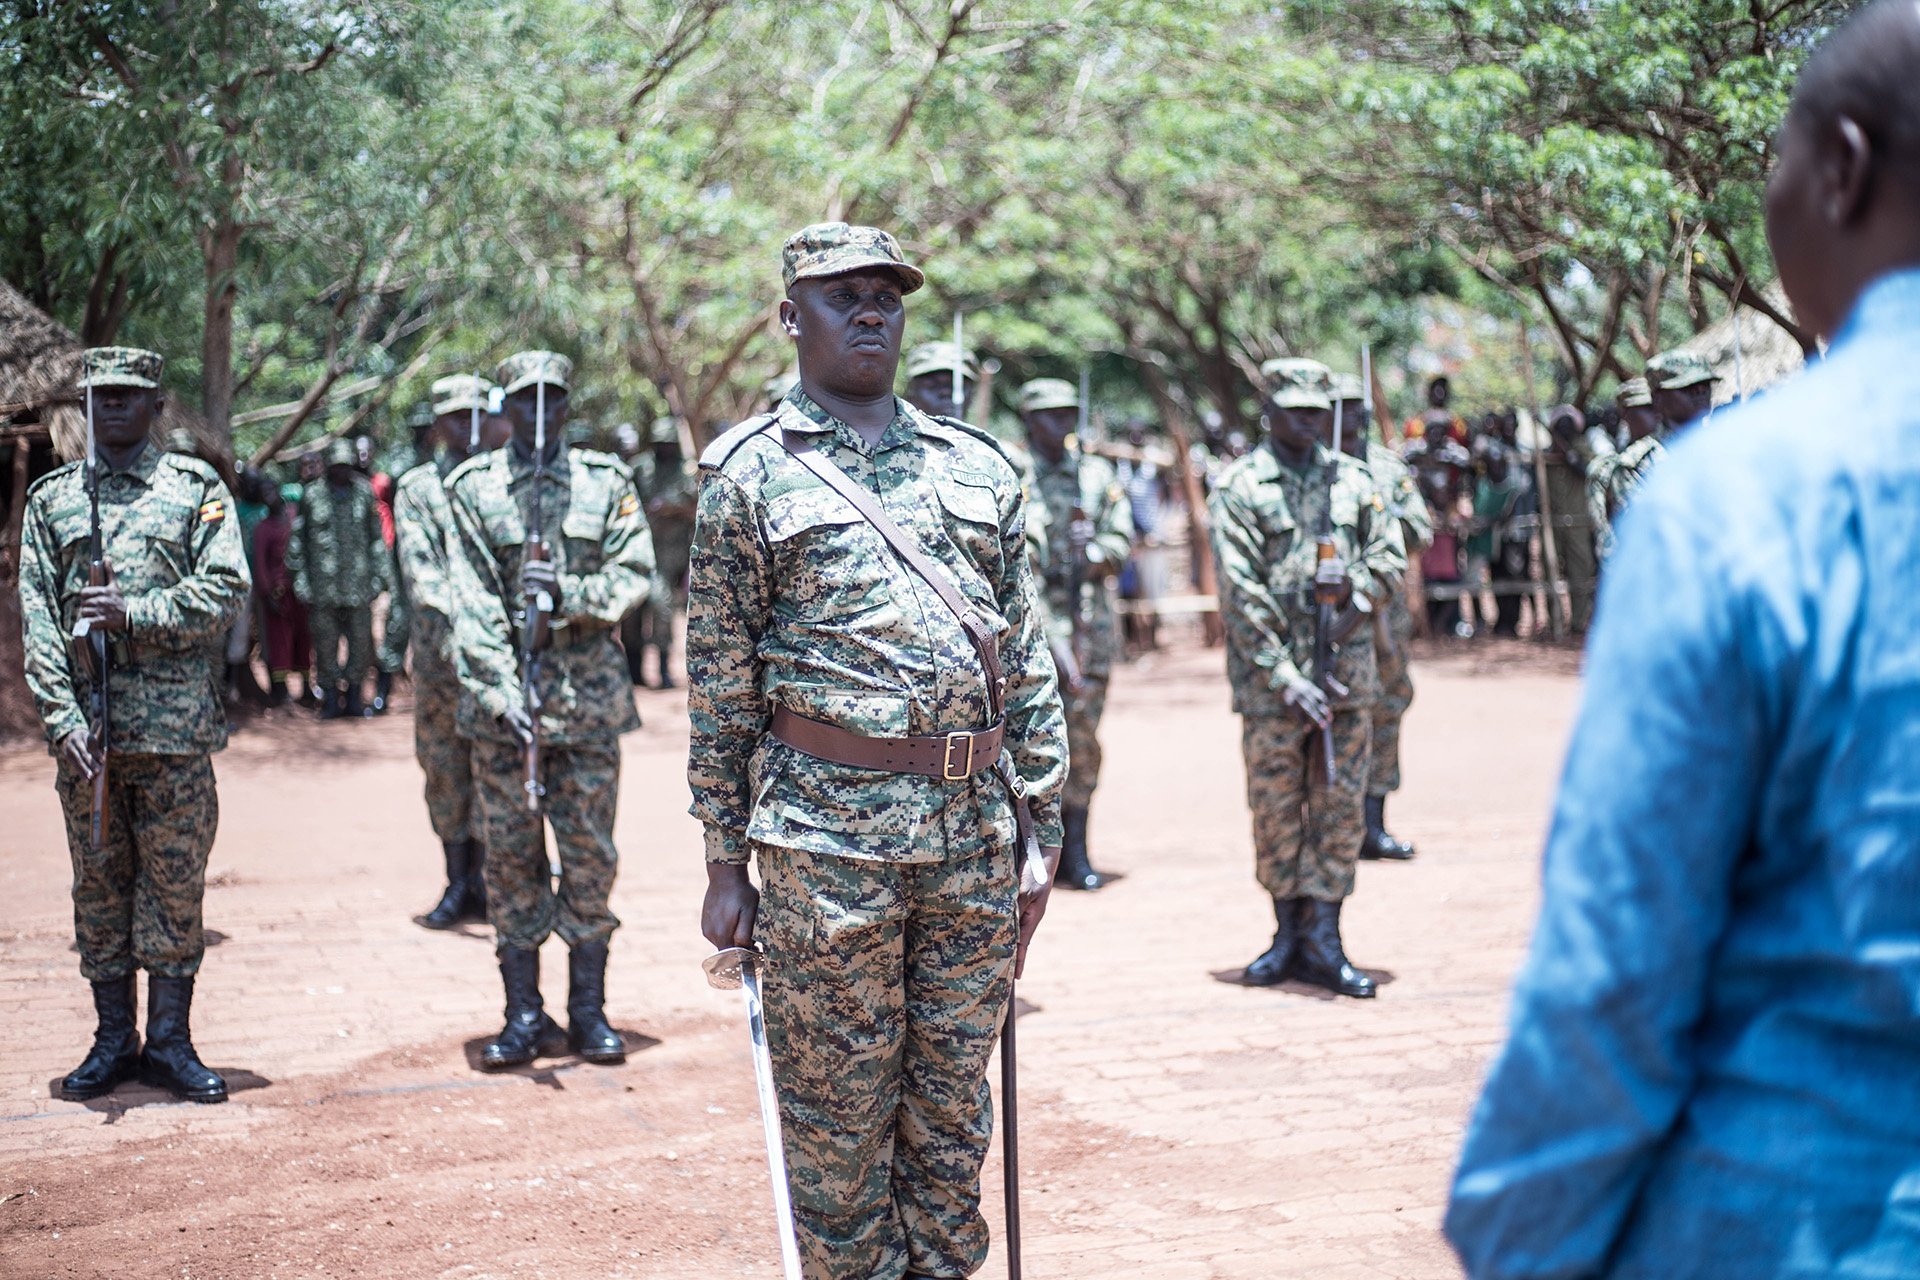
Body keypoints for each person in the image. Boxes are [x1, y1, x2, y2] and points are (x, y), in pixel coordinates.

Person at [1447, 4, 1920, 1272]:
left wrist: (1518, 1238)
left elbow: (1617, 964)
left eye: (1774, 157)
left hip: (1801, 1216)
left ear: (1843, 168)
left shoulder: (1742, 493)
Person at [690, 222, 1067, 1280]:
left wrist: (1044, 825)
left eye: (886, 294)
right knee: (841, 1132)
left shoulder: (976, 468)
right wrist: (724, 861)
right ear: (788, 315)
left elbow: (1023, 657)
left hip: (972, 843)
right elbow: (719, 684)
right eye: (841, 293)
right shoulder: (749, 477)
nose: (869, 310)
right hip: (826, 851)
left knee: (950, 1122)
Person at [19, 347, 251, 1104]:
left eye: (128, 394)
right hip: (89, 741)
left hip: (175, 734)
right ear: (84, 407)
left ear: (157, 403)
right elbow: (39, 624)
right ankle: (114, 1039)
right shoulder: (53, 500)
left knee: (175, 889)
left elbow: (225, 591)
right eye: (100, 395)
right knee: (99, 888)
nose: (112, 407)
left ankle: (172, 1043)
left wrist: (136, 615)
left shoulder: (194, 491)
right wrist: (60, 720)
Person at [446, 350, 654, 1070]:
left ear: (567, 405)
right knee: (510, 862)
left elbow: (635, 575)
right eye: (523, 400)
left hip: (587, 709)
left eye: (551, 398)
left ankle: (588, 1011)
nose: (537, 412)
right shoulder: (472, 490)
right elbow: (468, 606)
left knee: (590, 860)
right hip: (506, 717)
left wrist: (569, 598)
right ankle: (523, 1014)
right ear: (504, 408)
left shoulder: (606, 482)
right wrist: (502, 694)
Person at [1211, 358, 1406, 998]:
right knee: (1275, 812)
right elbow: (1241, 591)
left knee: (1339, 809)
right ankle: (1286, 934)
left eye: (1319, 411)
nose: (1308, 421)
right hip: (1272, 689)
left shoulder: (1354, 481)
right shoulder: (1240, 485)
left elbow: (1390, 556)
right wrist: (1284, 673)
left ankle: (1325, 934)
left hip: (1345, 678)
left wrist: (1354, 585)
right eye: (1294, 409)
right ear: (1268, 409)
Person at [397, 374, 508, 930]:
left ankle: (490, 882)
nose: (466, 427)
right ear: (438, 424)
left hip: (496, 668)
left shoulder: (503, 480)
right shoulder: (417, 488)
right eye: (455, 417)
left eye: (475, 415)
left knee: (495, 769)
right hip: (443, 664)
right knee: (444, 772)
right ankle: (456, 882)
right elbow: (424, 576)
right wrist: (470, 631)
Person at [1020, 375, 1131, 891]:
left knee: (1082, 740)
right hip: (1033, 633)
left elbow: (1121, 538)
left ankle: (1077, 848)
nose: (1059, 423)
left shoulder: (1096, 475)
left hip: (1091, 630)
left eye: (1067, 413)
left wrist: (1094, 552)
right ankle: (1032, 849)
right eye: (1048, 414)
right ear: (1028, 419)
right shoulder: (1014, 475)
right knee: (1031, 743)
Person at [1330, 374, 1427, 860]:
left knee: (1386, 709)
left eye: (1358, 407)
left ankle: (1374, 824)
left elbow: (1420, 529)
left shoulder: (1388, 469)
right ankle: (1333, 831)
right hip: (1329, 617)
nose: (1354, 416)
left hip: (1383, 613)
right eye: (1342, 407)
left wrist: (1382, 525)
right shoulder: (1319, 472)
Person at [290, 437, 389, 718]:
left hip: (359, 586)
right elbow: (298, 542)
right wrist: (301, 581)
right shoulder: (312, 496)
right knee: (325, 646)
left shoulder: (364, 493)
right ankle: (331, 700)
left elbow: (376, 540)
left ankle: (355, 698)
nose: (342, 472)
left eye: (347, 466)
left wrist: (378, 579)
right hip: (323, 589)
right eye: (337, 466)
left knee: (361, 644)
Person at [631, 416, 696, 688]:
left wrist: (669, 506)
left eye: (669, 443)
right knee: (632, 613)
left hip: (672, 555)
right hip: (639, 550)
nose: (665, 449)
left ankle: (664, 668)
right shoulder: (640, 468)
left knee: (662, 606)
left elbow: (694, 501)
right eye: (661, 444)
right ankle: (634, 670)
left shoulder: (685, 470)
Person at [1536, 404, 1598, 634]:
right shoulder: (1545, 454)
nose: (1564, 428)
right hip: (1551, 522)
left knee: (1580, 568)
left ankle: (1579, 620)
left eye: (1568, 424)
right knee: (1549, 568)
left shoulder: (1583, 450)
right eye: (1559, 424)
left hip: (1578, 521)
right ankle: (1555, 620)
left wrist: (1573, 459)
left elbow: (1590, 471)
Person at [901, 339, 978, 421]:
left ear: (971, 395)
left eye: (957, 386)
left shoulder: (981, 434)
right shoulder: (888, 431)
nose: (946, 392)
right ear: (910, 392)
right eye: (932, 386)